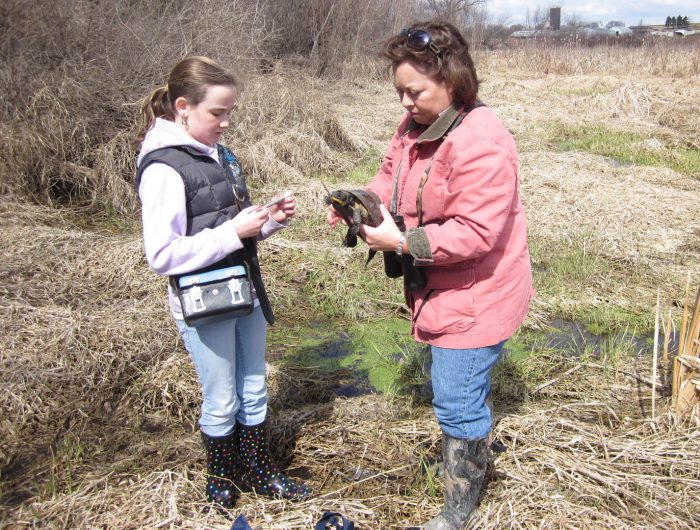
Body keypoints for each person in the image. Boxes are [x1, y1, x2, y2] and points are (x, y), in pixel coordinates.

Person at [326, 22, 533, 529]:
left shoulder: (482, 142)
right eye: (398, 91)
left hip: (478, 295)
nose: (404, 103)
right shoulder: (415, 128)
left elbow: (475, 234)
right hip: (444, 291)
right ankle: (465, 457)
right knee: (456, 391)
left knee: (457, 401)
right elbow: (388, 175)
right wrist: (360, 202)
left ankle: (457, 516)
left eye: (413, 91)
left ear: (452, 82)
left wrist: (400, 243)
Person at [134, 56, 311, 508]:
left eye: (230, 112)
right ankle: (221, 479)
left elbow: (230, 228)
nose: (226, 122)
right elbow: (163, 254)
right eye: (217, 112)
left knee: (254, 386)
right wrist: (234, 231)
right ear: (183, 107)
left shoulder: (220, 154)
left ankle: (258, 469)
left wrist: (267, 222)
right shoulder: (163, 168)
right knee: (221, 396)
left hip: (242, 285)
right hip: (202, 300)